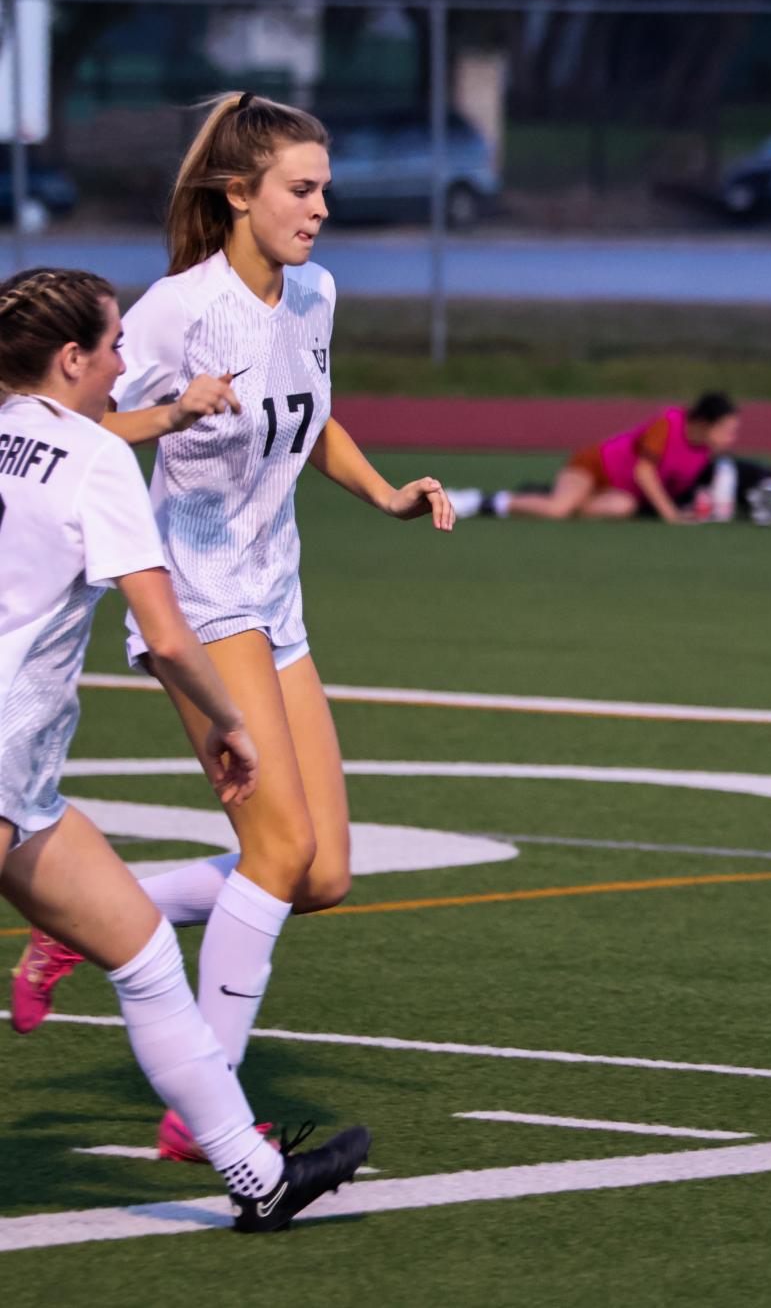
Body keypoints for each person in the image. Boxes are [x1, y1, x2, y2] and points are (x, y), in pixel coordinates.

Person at [9, 92, 456, 1165]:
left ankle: (76, 921)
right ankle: (205, 1101)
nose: (320, 209)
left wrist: (385, 492)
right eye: (301, 190)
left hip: (278, 594)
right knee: (279, 846)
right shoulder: (172, 311)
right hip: (199, 597)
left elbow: (314, 415)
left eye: (324, 191)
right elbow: (72, 434)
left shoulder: (316, 293)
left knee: (325, 873)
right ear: (238, 194)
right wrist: (168, 412)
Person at [0, 266, 370, 1230]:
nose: (127, 364)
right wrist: (234, 726)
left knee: (146, 955)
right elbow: (168, 635)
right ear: (73, 359)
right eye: (114, 346)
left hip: (25, 793)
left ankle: (257, 1177)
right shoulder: (89, 460)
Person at [457, 391, 759, 522]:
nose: (731, 438)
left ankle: (540, 495)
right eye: (727, 429)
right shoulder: (669, 423)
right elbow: (644, 472)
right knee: (558, 511)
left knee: (621, 508)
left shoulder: (705, 453)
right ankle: (478, 501)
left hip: (621, 492)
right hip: (594, 467)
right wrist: (670, 515)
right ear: (704, 424)